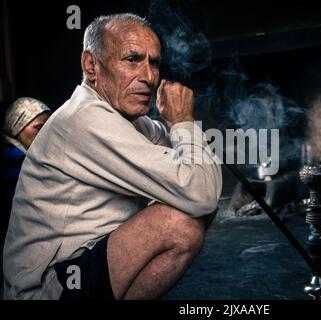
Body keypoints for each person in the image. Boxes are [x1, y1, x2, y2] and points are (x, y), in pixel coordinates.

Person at [2, 13, 222, 300]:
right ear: (91, 65)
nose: (149, 77)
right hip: (47, 288)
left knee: (187, 204)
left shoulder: (130, 121)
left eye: (153, 62)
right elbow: (201, 192)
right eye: (132, 59)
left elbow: (201, 174)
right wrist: (182, 122)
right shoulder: (84, 119)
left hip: (87, 260)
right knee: (179, 223)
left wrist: (182, 128)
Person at [0, 97, 51, 284]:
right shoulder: (11, 158)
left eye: (48, 126)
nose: (45, 132)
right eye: (38, 127)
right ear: (17, 126)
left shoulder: (28, 156)